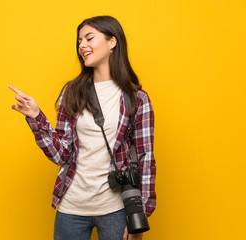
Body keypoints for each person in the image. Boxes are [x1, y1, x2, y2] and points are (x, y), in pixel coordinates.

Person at [8, 15, 156, 240]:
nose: (82, 46)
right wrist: (36, 117)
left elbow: (146, 158)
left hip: (116, 209)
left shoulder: (136, 98)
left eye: (89, 38)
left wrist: (140, 216)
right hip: (72, 209)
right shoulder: (72, 92)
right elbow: (62, 154)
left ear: (112, 42)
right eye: (79, 41)